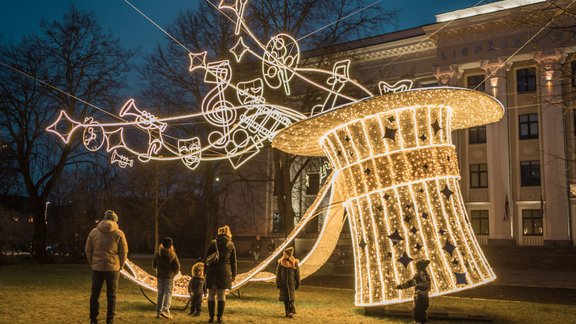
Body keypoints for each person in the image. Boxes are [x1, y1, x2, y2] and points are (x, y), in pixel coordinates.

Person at [85, 210, 128, 324]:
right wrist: (121, 265)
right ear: (115, 220)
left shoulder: (93, 232)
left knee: (95, 294)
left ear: (104, 218)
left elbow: (88, 250)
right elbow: (124, 252)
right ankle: (110, 318)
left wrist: (92, 263)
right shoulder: (119, 233)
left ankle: (93, 318)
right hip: (113, 268)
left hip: (97, 268)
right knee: (112, 294)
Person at [205, 225, 237, 323]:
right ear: (228, 234)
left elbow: (206, 258)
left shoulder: (213, 243)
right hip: (224, 271)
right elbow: (233, 261)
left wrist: (204, 271)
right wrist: (234, 274)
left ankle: (211, 317)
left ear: (219, 233)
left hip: (212, 271)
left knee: (211, 294)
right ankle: (220, 317)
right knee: (221, 295)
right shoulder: (230, 244)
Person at [152, 237, 181, 319]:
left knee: (160, 293)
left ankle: (158, 311)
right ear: (171, 245)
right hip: (169, 277)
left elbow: (154, 265)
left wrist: (159, 271)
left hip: (160, 276)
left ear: (162, 244)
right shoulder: (173, 255)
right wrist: (173, 273)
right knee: (168, 293)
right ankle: (165, 310)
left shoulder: (158, 254)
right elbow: (177, 266)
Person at [396, 259, 431, 324]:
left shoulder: (418, 276)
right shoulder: (427, 275)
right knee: (423, 312)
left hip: (419, 297)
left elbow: (409, 283)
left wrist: (399, 286)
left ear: (418, 268)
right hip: (426, 297)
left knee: (417, 311)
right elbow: (429, 287)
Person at [275, 247, 300, 318]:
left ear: (289, 255)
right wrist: (278, 282)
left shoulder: (294, 263)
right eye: (283, 254)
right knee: (285, 299)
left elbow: (297, 274)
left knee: (291, 299)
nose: (284, 255)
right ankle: (287, 311)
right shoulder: (281, 263)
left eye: (285, 254)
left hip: (291, 283)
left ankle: (291, 311)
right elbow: (278, 273)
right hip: (283, 284)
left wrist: (298, 282)